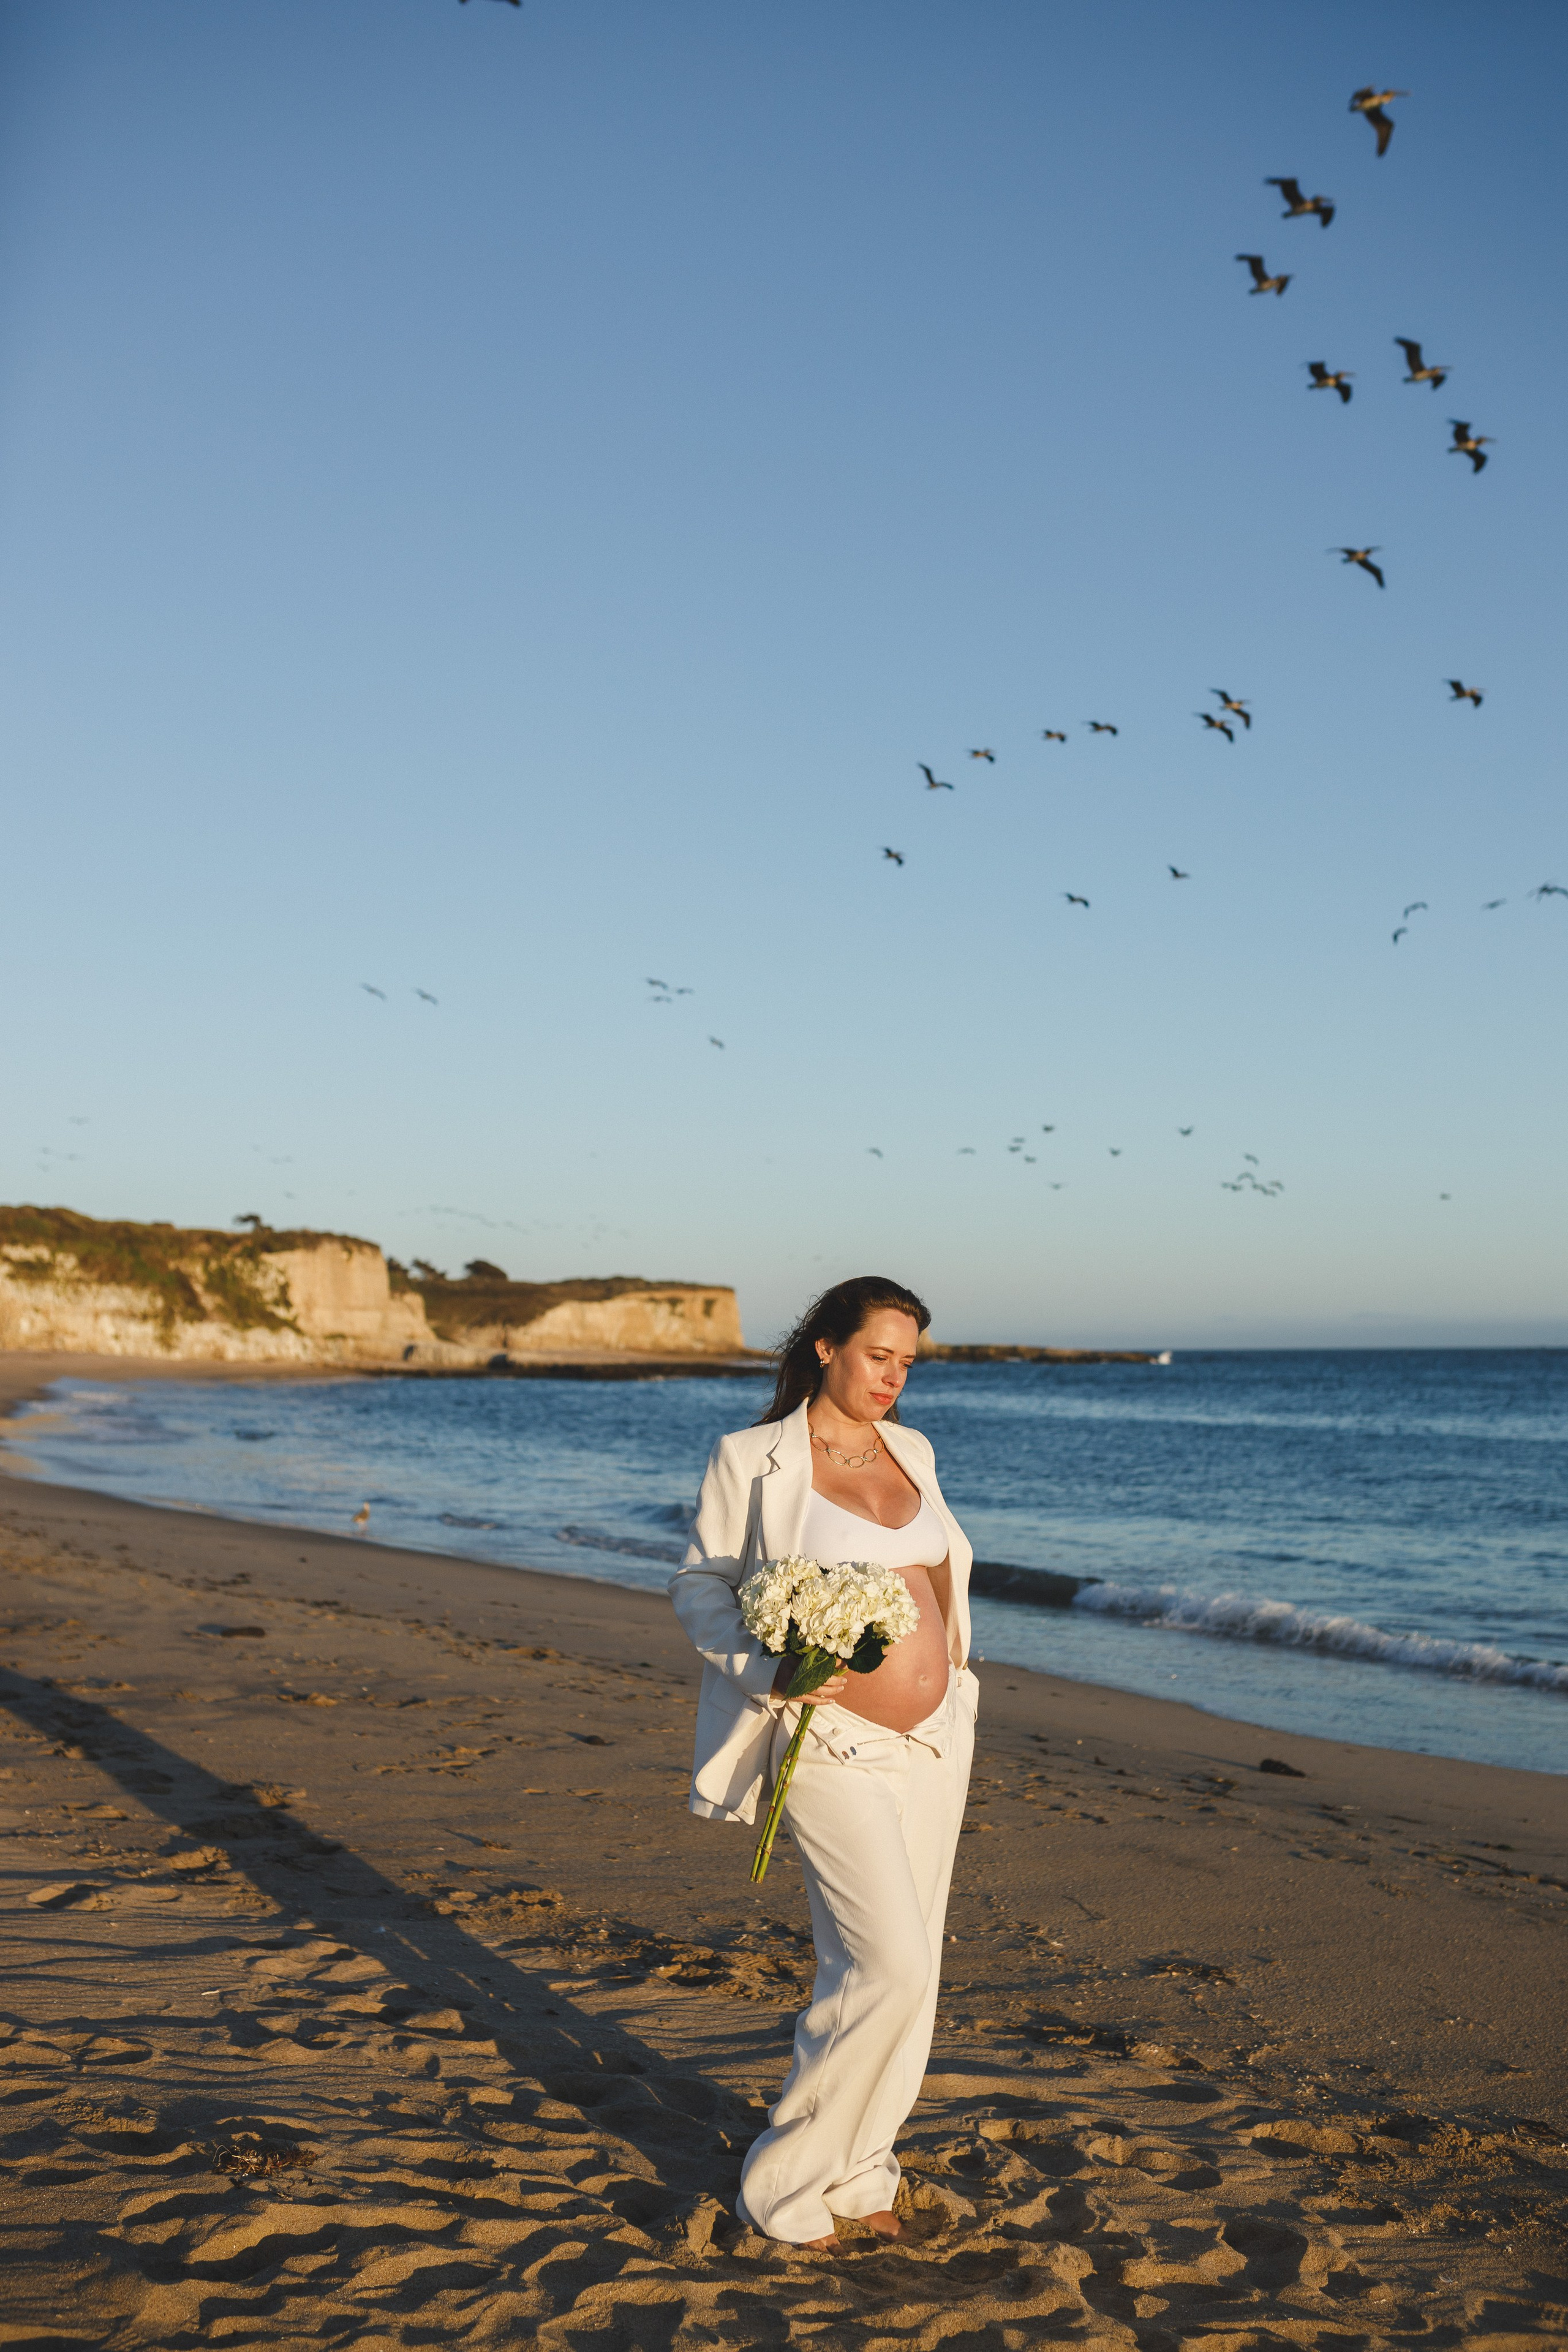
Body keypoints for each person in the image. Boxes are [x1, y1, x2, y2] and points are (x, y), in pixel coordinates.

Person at [669, 1274, 977, 2250]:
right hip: (826, 1737)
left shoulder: (913, 1450)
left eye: (907, 1364)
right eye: (878, 1357)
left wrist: (950, 1675)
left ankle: (862, 2171)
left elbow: (939, 1572)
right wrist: (765, 1668)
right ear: (826, 1347)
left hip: (935, 1741)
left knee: (914, 1971)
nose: (893, 1379)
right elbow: (701, 1584)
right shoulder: (752, 1458)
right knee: (884, 1964)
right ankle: (785, 2185)